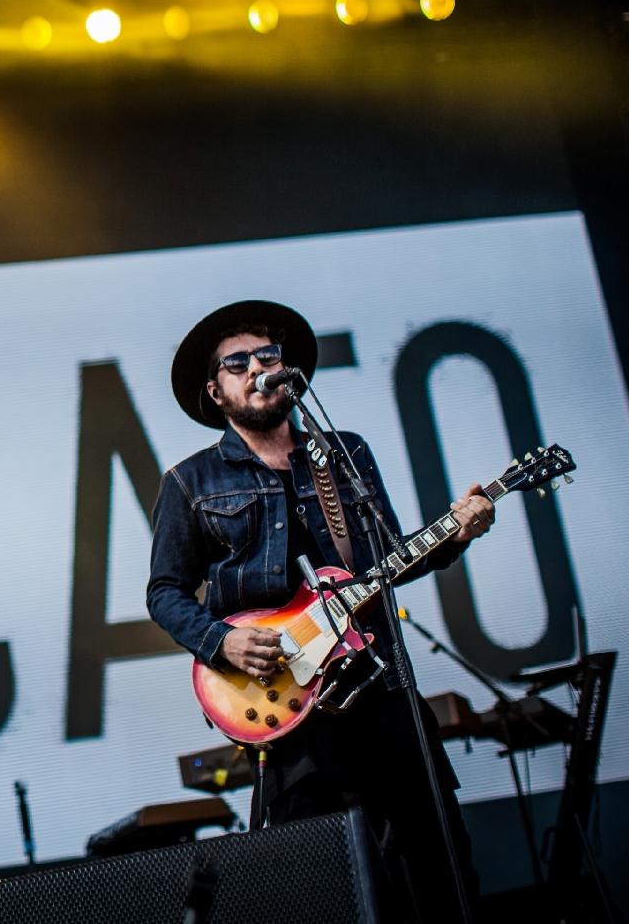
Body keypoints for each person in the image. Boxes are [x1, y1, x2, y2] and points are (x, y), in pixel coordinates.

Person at [147, 300, 497, 920]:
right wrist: (220, 641)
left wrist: (457, 534)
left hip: (382, 690)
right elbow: (164, 594)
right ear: (216, 391)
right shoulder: (189, 482)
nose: (259, 366)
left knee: (440, 872)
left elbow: (391, 560)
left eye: (268, 355)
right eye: (238, 362)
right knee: (326, 887)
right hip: (294, 714)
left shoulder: (344, 454)